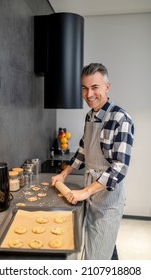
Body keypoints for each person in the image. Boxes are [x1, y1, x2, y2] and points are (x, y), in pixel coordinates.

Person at [52, 63, 134, 260]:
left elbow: (119, 168)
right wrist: (64, 174)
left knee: (97, 256)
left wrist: (85, 191)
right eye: (84, 88)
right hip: (90, 197)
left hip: (107, 201)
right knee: (100, 246)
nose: (89, 94)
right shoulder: (90, 116)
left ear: (107, 87)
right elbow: (83, 150)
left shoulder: (121, 119)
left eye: (94, 87)